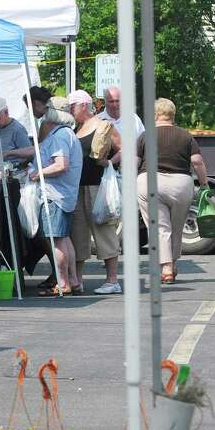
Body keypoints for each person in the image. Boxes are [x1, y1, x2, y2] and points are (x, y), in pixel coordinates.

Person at [136, 98, 209, 284]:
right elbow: (197, 162)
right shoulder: (186, 136)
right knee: (176, 227)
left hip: (150, 182)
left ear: (155, 115)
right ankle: (172, 264)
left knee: (160, 227)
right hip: (180, 184)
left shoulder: (145, 136)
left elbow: (134, 163)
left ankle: (166, 267)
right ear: (172, 115)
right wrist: (204, 184)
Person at [66, 90, 122, 295]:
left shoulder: (103, 125)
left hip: (97, 185)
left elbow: (124, 148)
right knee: (77, 233)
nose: (70, 110)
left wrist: (109, 162)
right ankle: (77, 279)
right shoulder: (74, 128)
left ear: (84, 106)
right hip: (77, 187)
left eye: (72, 106)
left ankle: (112, 280)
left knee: (104, 229)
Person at [25, 108, 83, 296]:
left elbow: (61, 165)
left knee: (56, 239)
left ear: (50, 121)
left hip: (55, 194)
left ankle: (63, 282)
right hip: (64, 194)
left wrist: (37, 173)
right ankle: (74, 281)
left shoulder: (59, 136)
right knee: (64, 238)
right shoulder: (68, 134)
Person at [97, 86, 145, 164]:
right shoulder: (98, 120)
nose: (115, 104)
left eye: (117, 101)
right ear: (105, 101)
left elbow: (143, 142)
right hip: (104, 170)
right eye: (111, 101)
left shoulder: (133, 119)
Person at [0, 97, 32, 163]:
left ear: (6, 112)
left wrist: (9, 153)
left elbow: (29, 154)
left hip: (14, 169)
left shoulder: (18, 129)